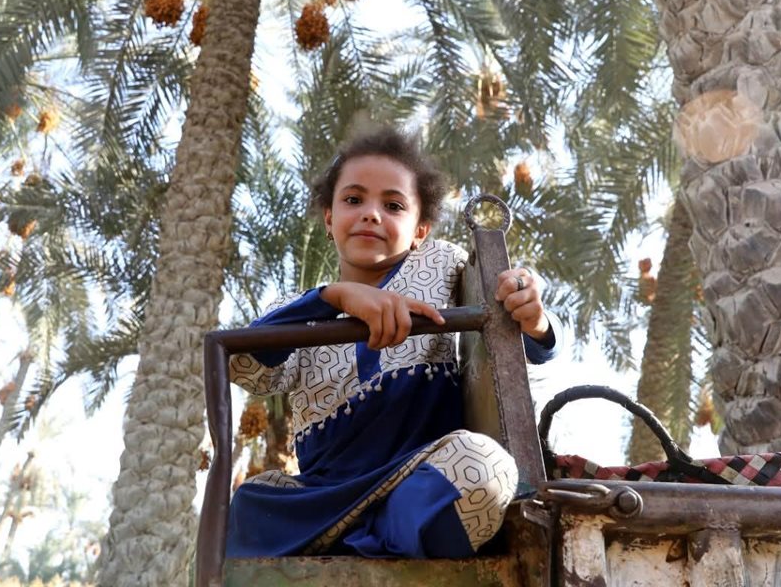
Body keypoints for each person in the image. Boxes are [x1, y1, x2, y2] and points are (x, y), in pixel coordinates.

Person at [226, 125, 560, 560]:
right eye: (353, 200)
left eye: (393, 205)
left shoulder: (442, 264)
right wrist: (334, 297)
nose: (371, 214)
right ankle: (373, 539)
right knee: (248, 503)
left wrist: (532, 312)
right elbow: (245, 368)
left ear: (420, 229)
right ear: (328, 218)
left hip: (419, 480)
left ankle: (382, 535)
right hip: (324, 499)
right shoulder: (301, 309)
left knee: (484, 468)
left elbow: (518, 340)